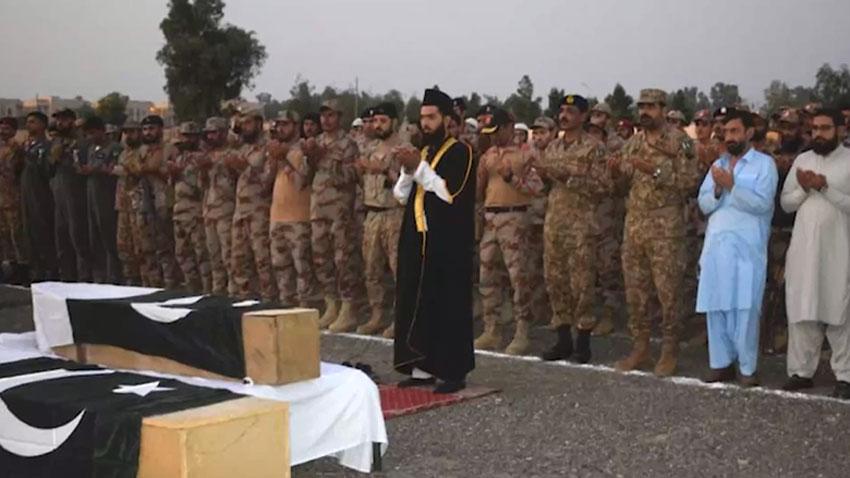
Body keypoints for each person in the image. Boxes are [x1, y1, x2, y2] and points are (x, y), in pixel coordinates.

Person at [609, 88, 700, 377]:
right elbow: (622, 187)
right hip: (634, 226)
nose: (644, 112)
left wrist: (655, 171)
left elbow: (689, 183)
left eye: (650, 107)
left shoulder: (680, 142)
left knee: (668, 292)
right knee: (636, 291)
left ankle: (670, 349)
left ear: (663, 109)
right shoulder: (633, 143)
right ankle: (641, 348)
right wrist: (615, 173)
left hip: (665, 228)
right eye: (641, 107)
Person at [393, 88, 475, 394]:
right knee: (414, 300)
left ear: (446, 120)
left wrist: (419, 169)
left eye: (431, 118)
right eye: (422, 117)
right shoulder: (423, 153)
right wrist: (407, 169)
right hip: (416, 238)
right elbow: (401, 196)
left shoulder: (461, 152)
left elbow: (447, 193)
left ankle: (452, 370)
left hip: (447, 243)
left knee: (447, 304)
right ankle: (420, 367)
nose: (425, 124)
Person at [697, 109, 778, 386]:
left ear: (748, 133)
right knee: (716, 305)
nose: (729, 137)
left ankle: (747, 368)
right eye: (726, 132)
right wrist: (718, 190)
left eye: (734, 131)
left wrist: (732, 186)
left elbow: (763, 204)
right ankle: (720, 364)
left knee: (745, 307)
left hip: (747, 249)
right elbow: (704, 204)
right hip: (717, 247)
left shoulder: (764, 165)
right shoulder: (717, 165)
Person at [780, 108, 850, 399]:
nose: (819, 134)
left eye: (825, 128)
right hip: (804, 250)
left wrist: (825, 187)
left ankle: (845, 376)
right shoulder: (803, 160)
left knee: (839, 311)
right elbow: (786, 204)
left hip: (838, 250)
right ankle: (801, 372)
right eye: (815, 128)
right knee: (802, 309)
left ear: (841, 130)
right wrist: (806, 190)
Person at [536, 95, 608, 363]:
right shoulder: (552, 148)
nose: (564, 115)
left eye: (570, 111)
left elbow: (604, 187)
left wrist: (571, 178)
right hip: (554, 224)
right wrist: (542, 176)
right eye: (562, 111)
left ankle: (583, 342)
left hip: (581, 226)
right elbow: (545, 187)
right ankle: (563, 340)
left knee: (581, 284)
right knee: (555, 281)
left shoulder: (594, 148)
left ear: (583, 116)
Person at [473, 108, 543, 355]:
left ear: (509, 128)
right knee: (487, 277)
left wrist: (512, 178)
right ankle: (492, 330)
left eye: (496, 131)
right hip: (492, 219)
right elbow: (479, 191)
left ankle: (522, 331)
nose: (492, 137)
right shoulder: (488, 155)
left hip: (515, 219)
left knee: (519, 278)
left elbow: (536, 188)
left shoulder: (526, 155)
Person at [354, 102, 411, 336]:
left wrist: (385, 172)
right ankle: (377, 314)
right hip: (372, 213)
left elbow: (409, 182)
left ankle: (402, 318)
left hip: (394, 213)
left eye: (382, 121)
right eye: (375, 121)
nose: (377, 125)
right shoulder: (370, 147)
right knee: (371, 267)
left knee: (399, 269)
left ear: (394, 122)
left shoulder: (403, 149)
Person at [304, 99, 360, 330]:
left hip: (339, 210)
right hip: (318, 208)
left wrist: (326, 158)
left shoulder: (348, 144)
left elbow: (351, 176)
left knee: (342, 259)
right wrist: (312, 158)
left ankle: (349, 307)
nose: (326, 120)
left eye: (331, 115)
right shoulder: (314, 142)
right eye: (323, 116)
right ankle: (331, 304)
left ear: (339, 117)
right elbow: (307, 177)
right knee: (321, 257)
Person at [268, 110, 319, 307]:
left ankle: (305, 307)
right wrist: (275, 159)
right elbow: (265, 182)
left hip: (299, 219)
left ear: (296, 127)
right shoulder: (276, 151)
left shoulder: (302, 150)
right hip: (277, 217)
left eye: (285, 124)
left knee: (302, 267)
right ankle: (285, 305)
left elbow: (303, 179)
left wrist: (286, 155)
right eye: (278, 125)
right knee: (280, 267)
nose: (280, 129)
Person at [227, 110, 276, 301]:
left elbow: (266, 183)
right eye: (242, 123)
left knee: (263, 262)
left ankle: (268, 302)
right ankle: (243, 301)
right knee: (238, 261)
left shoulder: (268, 147)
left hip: (259, 212)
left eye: (247, 123)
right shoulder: (243, 147)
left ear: (258, 123)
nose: (244, 127)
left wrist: (244, 168)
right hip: (240, 212)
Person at [49, 108, 92, 281]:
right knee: (61, 238)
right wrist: (54, 157)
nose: (60, 123)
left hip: (76, 195)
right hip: (58, 195)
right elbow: (49, 169)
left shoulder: (82, 143)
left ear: (72, 121)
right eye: (58, 119)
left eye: (64, 119)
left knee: (78, 238)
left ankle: (84, 279)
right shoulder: (56, 142)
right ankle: (66, 277)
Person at [169, 121, 211, 293]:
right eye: (185, 136)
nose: (187, 140)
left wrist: (182, 173)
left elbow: (201, 187)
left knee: (202, 255)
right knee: (182, 255)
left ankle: (207, 291)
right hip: (179, 212)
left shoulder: (202, 157)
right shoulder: (180, 157)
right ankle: (191, 289)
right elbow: (172, 185)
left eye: (191, 136)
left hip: (195, 213)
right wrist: (173, 173)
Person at [80, 116, 121, 284]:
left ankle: (115, 276)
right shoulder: (91, 148)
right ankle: (100, 276)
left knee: (109, 236)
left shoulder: (114, 148)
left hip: (107, 195)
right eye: (87, 134)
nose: (90, 136)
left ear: (101, 130)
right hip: (92, 195)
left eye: (92, 132)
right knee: (94, 236)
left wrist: (96, 169)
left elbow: (114, 170)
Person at [199, 117, 237, 295]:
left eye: (214, 133)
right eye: (208, 133)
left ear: (223, 133)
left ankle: (232, 294)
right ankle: (217, 292)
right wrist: (203, 169)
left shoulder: (232, 154)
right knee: (214, 257)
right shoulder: (207, 155)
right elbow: (203, 185)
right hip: (209, 211)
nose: (210, 137)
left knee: (229, 257)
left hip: (226, 211)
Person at [21, 112, 57, 281]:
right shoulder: (26, 145)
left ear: (43, 125)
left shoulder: (47, 146)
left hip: (41, 195)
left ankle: (50, 270)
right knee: (29, 233)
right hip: (26, 195)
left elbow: (48, 171)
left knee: (43, 232)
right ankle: (35, 269)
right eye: (27, 122)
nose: (29, 125)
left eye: (33, 122)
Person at [112, 121, 142, 285]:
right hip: (123, 204)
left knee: (140, 245)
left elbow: (136, 170)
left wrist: (122, 169)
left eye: (132, 132)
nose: (128, 136)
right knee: (123, 245)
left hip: (138, 205)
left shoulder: (142, 152)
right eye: (126, 132)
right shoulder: (124, 153)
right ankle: (130, 278)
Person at [0, 117, 27, 282]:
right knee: (3, 235)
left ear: (14, 130)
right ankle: (7, 267)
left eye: (7, 128)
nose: (3, 131)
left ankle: (21, 268)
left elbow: (16, 170)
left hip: (12, 198)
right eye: (1, 128)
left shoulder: (17, 148)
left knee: (16, 234)